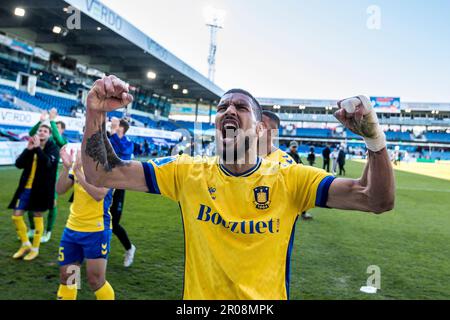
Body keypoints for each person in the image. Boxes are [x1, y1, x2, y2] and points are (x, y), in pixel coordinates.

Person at [81, 76, 394, 300]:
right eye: (223, 107)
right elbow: (101, 173)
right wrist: (95, 111)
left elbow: (375, 199)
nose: (229, 110)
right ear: (216, 122)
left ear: (259, 129)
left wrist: (374, 139)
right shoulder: (186, 172)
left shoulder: (290, 178)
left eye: (241, 107)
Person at [56, 148, 114, 300]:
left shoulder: (108, 166)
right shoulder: (78, 164)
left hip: (96, 231)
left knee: (95, 280)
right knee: (69, 276)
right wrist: (67, 167)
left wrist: (78, 173)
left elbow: (99, 195)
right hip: (72, 229)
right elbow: (60, 189)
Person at [8, 123, 59, 261]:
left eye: (45, 131)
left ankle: (35, 249)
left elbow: (47, 163)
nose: (42, 133)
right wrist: (28, 149)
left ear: (49, 135)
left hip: (41, 190)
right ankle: (25, 244)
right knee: (16, 216)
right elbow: (19, 164)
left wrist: (37, 149)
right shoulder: (31, 147)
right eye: (40, 130)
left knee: (37, 216)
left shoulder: (53, 149)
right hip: (25, 188)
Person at [27, 108, 67, 243]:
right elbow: (31, 133)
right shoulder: (43, 139)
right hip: (35, 175)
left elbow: (57, 138)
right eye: (54, 127)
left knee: (52, 204)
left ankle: (48, 231)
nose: (56, 129)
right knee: (30, 203)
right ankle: (32, 228)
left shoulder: (61, 141)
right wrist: (41, 121)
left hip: (51, 178)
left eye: (58, 128)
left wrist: (52, 120)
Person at [108, 117, 136, 267]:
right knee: (99, 219)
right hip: (104, 185)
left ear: (121, 128)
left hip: (118, 187)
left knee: (114, 222)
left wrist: (113, 135)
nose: (112, 125)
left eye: (116, 124)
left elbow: (118, 157)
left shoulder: (128, 144)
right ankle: (93, 251)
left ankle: (129, 248)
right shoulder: (109, 137)